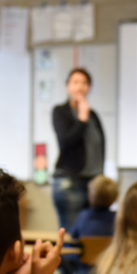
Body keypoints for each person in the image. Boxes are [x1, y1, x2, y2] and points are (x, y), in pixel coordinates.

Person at [51, 68, 105, 230]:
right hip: (70, 183)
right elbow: (66, 142)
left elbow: (100, 147)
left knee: (89, 235)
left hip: (92, 184)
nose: (80, 87)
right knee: (71, 236)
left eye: (85, 83)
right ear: (68, 86)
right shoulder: (61, 112)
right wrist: (81, 119)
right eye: (75, 82)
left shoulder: (93, 115)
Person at [68, 174, 119, 274]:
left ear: (90, 195)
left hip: (86, 273)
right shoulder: (118, 219)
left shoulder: (83, 216)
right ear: (115, 197)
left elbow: (72, 237)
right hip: (111, 272)